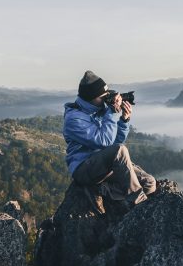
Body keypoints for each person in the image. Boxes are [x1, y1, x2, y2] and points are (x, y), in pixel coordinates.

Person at [63, 70, 156, 210]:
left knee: (149, 183)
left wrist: (124, 120)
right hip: (84, 169)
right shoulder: (74, 119)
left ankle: (105, 191)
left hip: (104, 166)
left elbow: (114, 142)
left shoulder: (99, 110)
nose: (107, 99)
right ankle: (138, 203)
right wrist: (112, 113)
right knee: (120, 151)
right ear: (90, 97)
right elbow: (104, 141)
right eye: (103, 97)